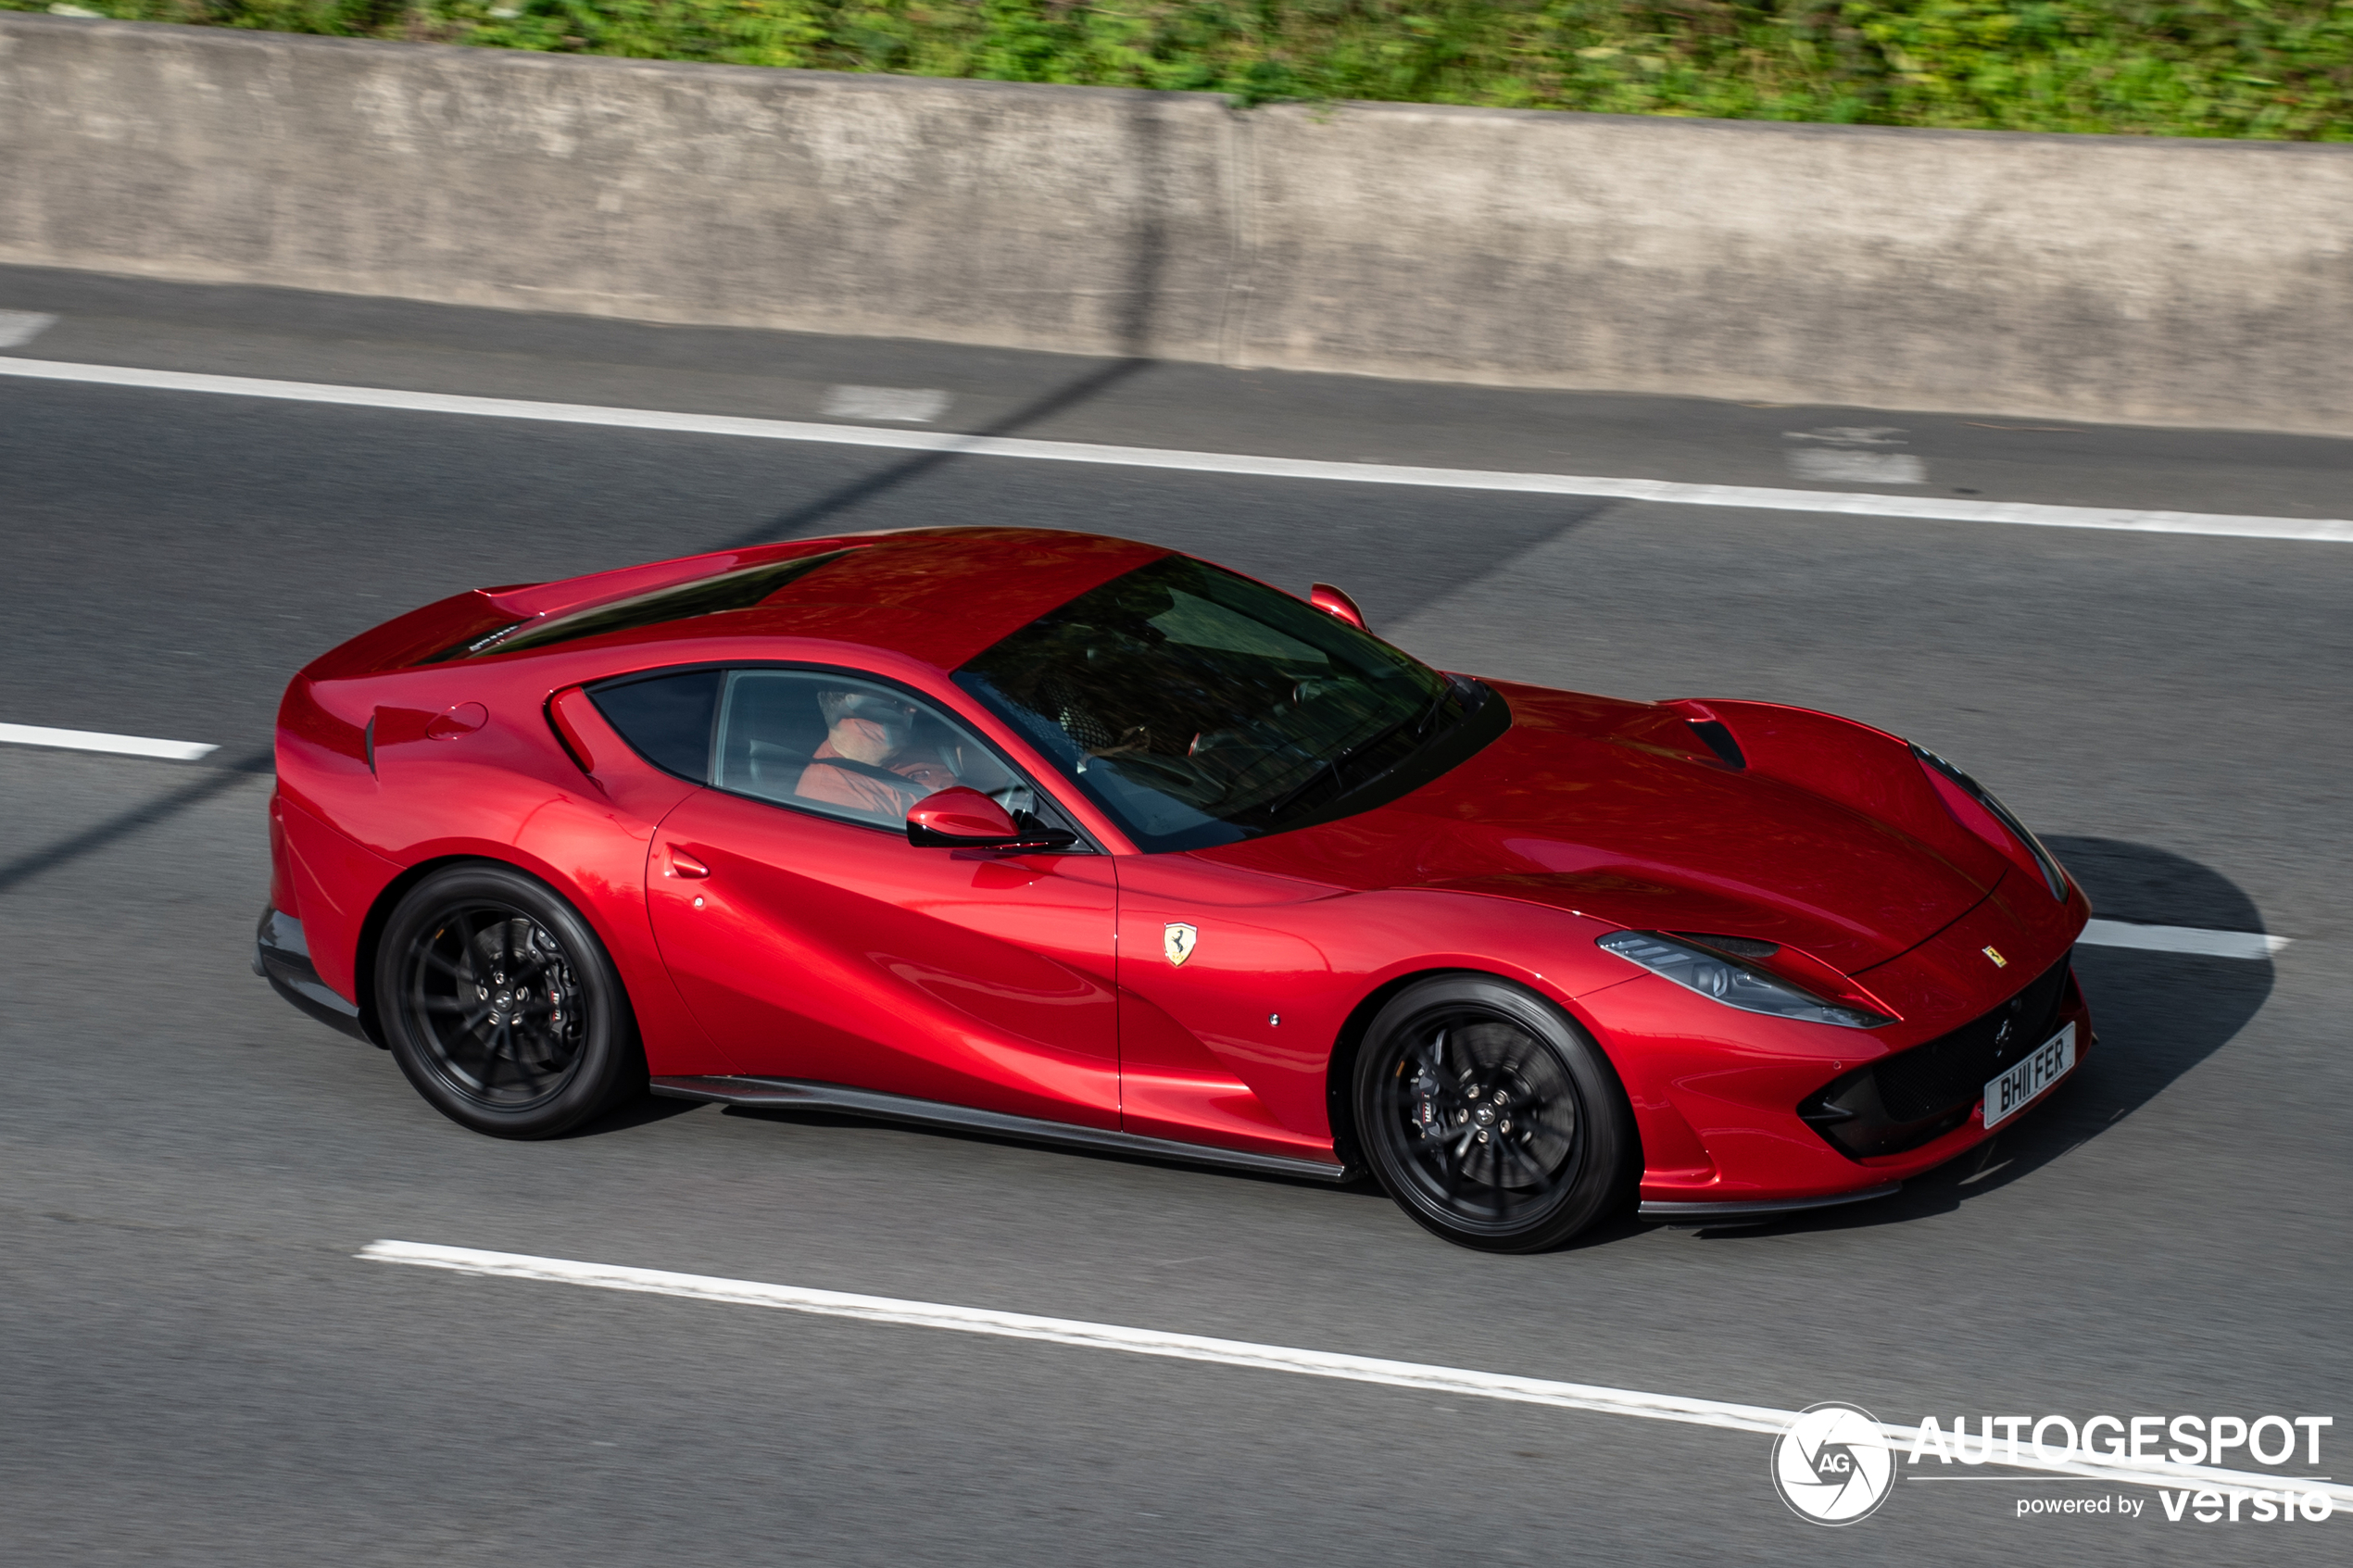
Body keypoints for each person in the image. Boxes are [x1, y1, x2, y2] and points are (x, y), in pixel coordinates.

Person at [795, 689, 960, 822]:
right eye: (895, 705)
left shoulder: (907, 741)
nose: (912, 709)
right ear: (848, 714)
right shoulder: (835, 798)